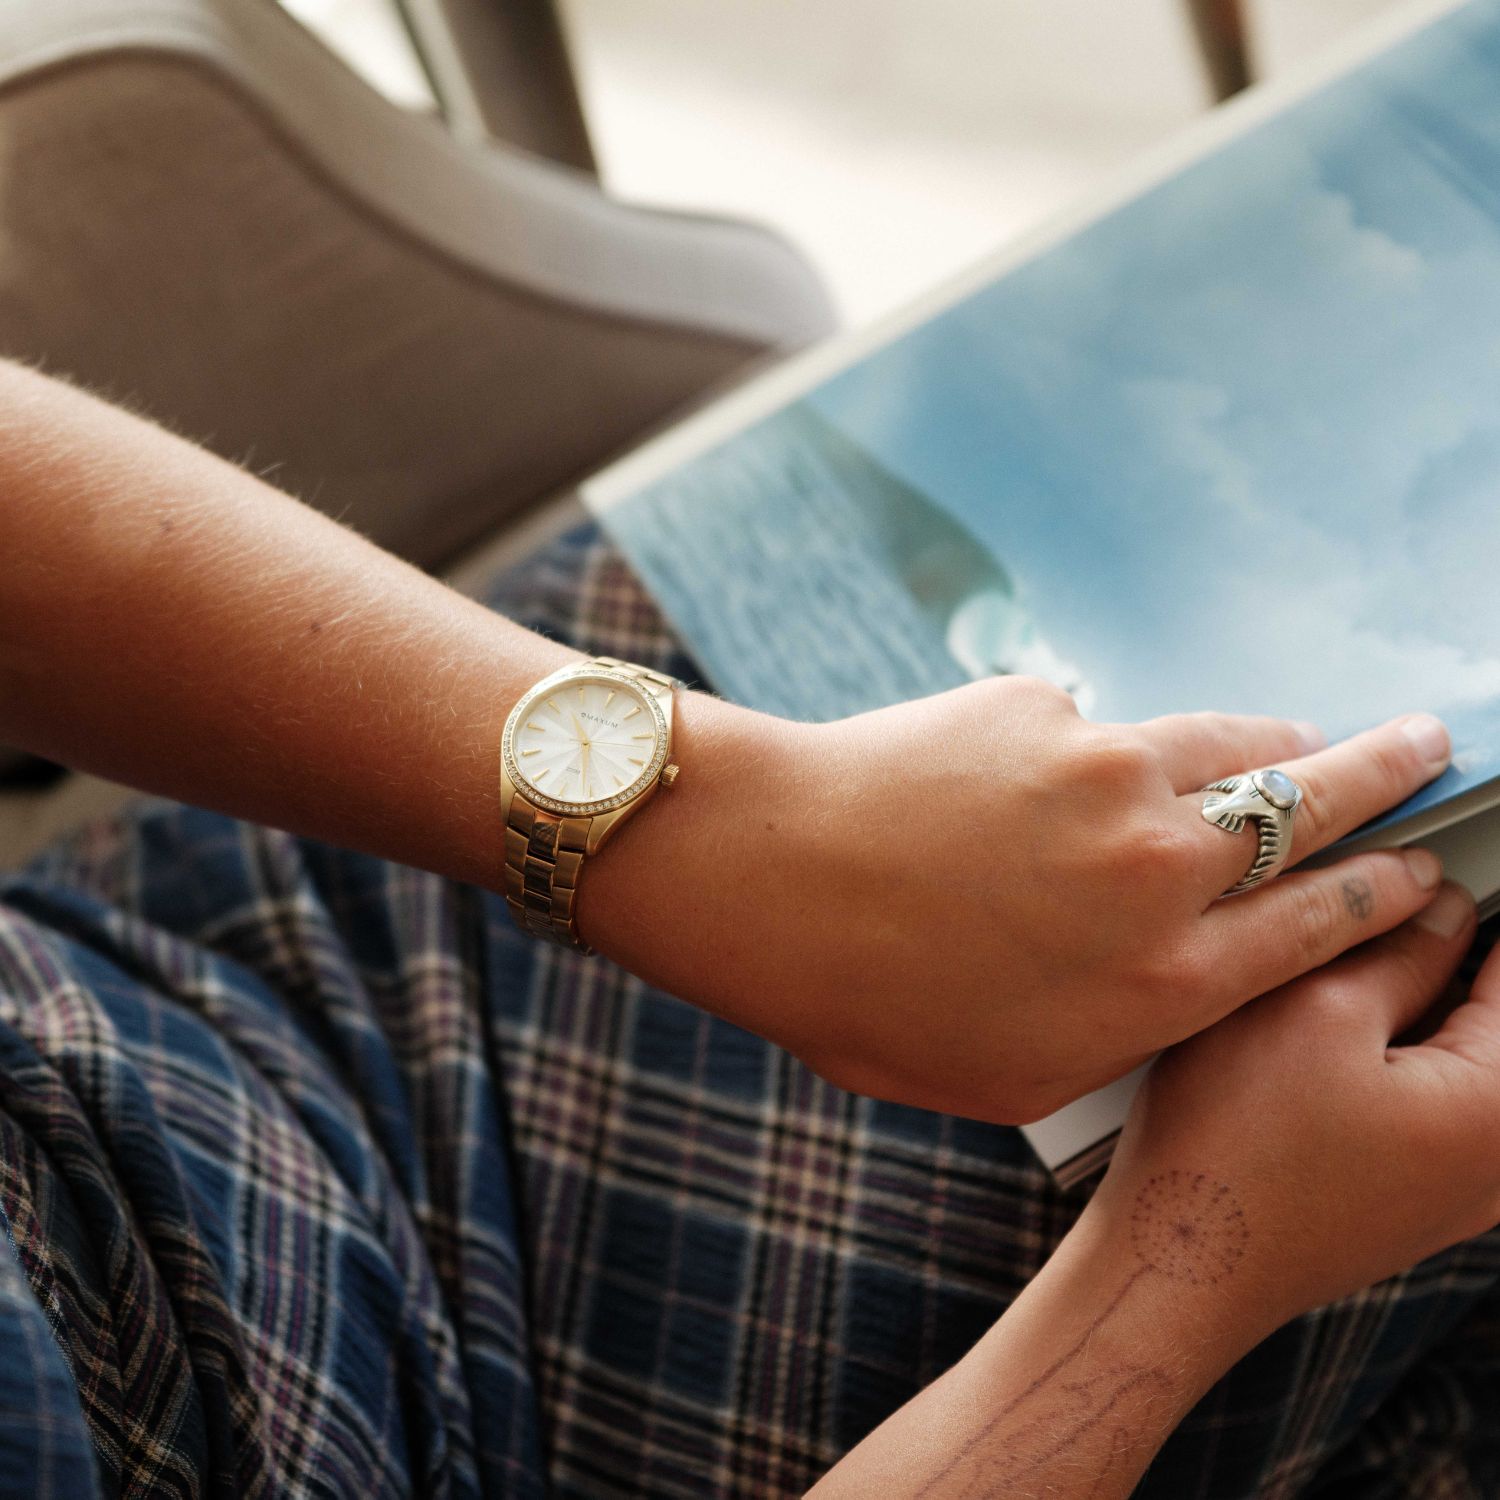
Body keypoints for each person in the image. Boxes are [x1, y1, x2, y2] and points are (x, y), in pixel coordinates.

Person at [0, 356, 1496, 1498]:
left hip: (230, 912)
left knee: (838, 502)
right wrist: (1191, 1266)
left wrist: (708, 825)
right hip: (515, 1416)